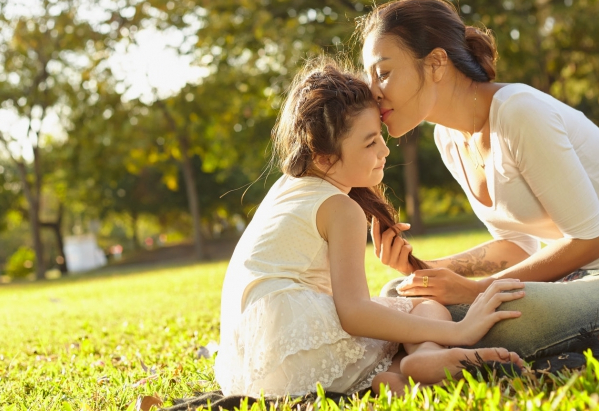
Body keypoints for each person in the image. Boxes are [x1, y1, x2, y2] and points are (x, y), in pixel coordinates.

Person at [357, 0, 599, 359]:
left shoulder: (519, 112)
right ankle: (438, 350)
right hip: (574, 283)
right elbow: (517, 247)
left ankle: (430, 348)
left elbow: (592, 240)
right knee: (400, 292)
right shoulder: (449, 139)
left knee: (489, 318)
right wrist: (424, 270)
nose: (372, 90)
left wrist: (477, 291)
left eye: (384, 72)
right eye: (369, 76)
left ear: (437, 63)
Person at [214, 59, 525, 398]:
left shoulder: (289, 187)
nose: (385, 149)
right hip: (297, 339)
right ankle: (429, 355)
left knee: (393, 335)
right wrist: (461, 331)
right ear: (323, 157)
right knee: (424, 306)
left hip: (256, 362)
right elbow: (355, 313)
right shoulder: (340, 207)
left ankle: (397, 379)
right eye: (370, 142)